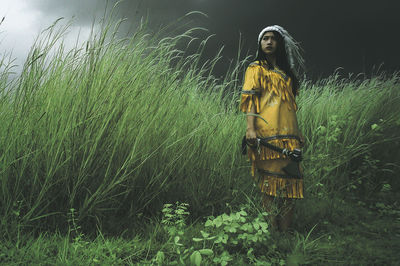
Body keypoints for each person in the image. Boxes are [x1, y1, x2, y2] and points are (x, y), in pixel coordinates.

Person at [239, 25, 305, 233]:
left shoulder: (287, 74)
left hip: (290, 136)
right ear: (260, 43)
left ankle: (285, 233)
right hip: (268, 136)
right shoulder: (255, 69)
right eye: (264, 38)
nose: (268, 42)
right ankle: (271, 231)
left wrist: (296, 133)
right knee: (269, 184)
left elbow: (290, 106)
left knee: (291, 184)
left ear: (279, 43)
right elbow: (250, 101)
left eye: (273, 39)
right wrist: (250, 128)